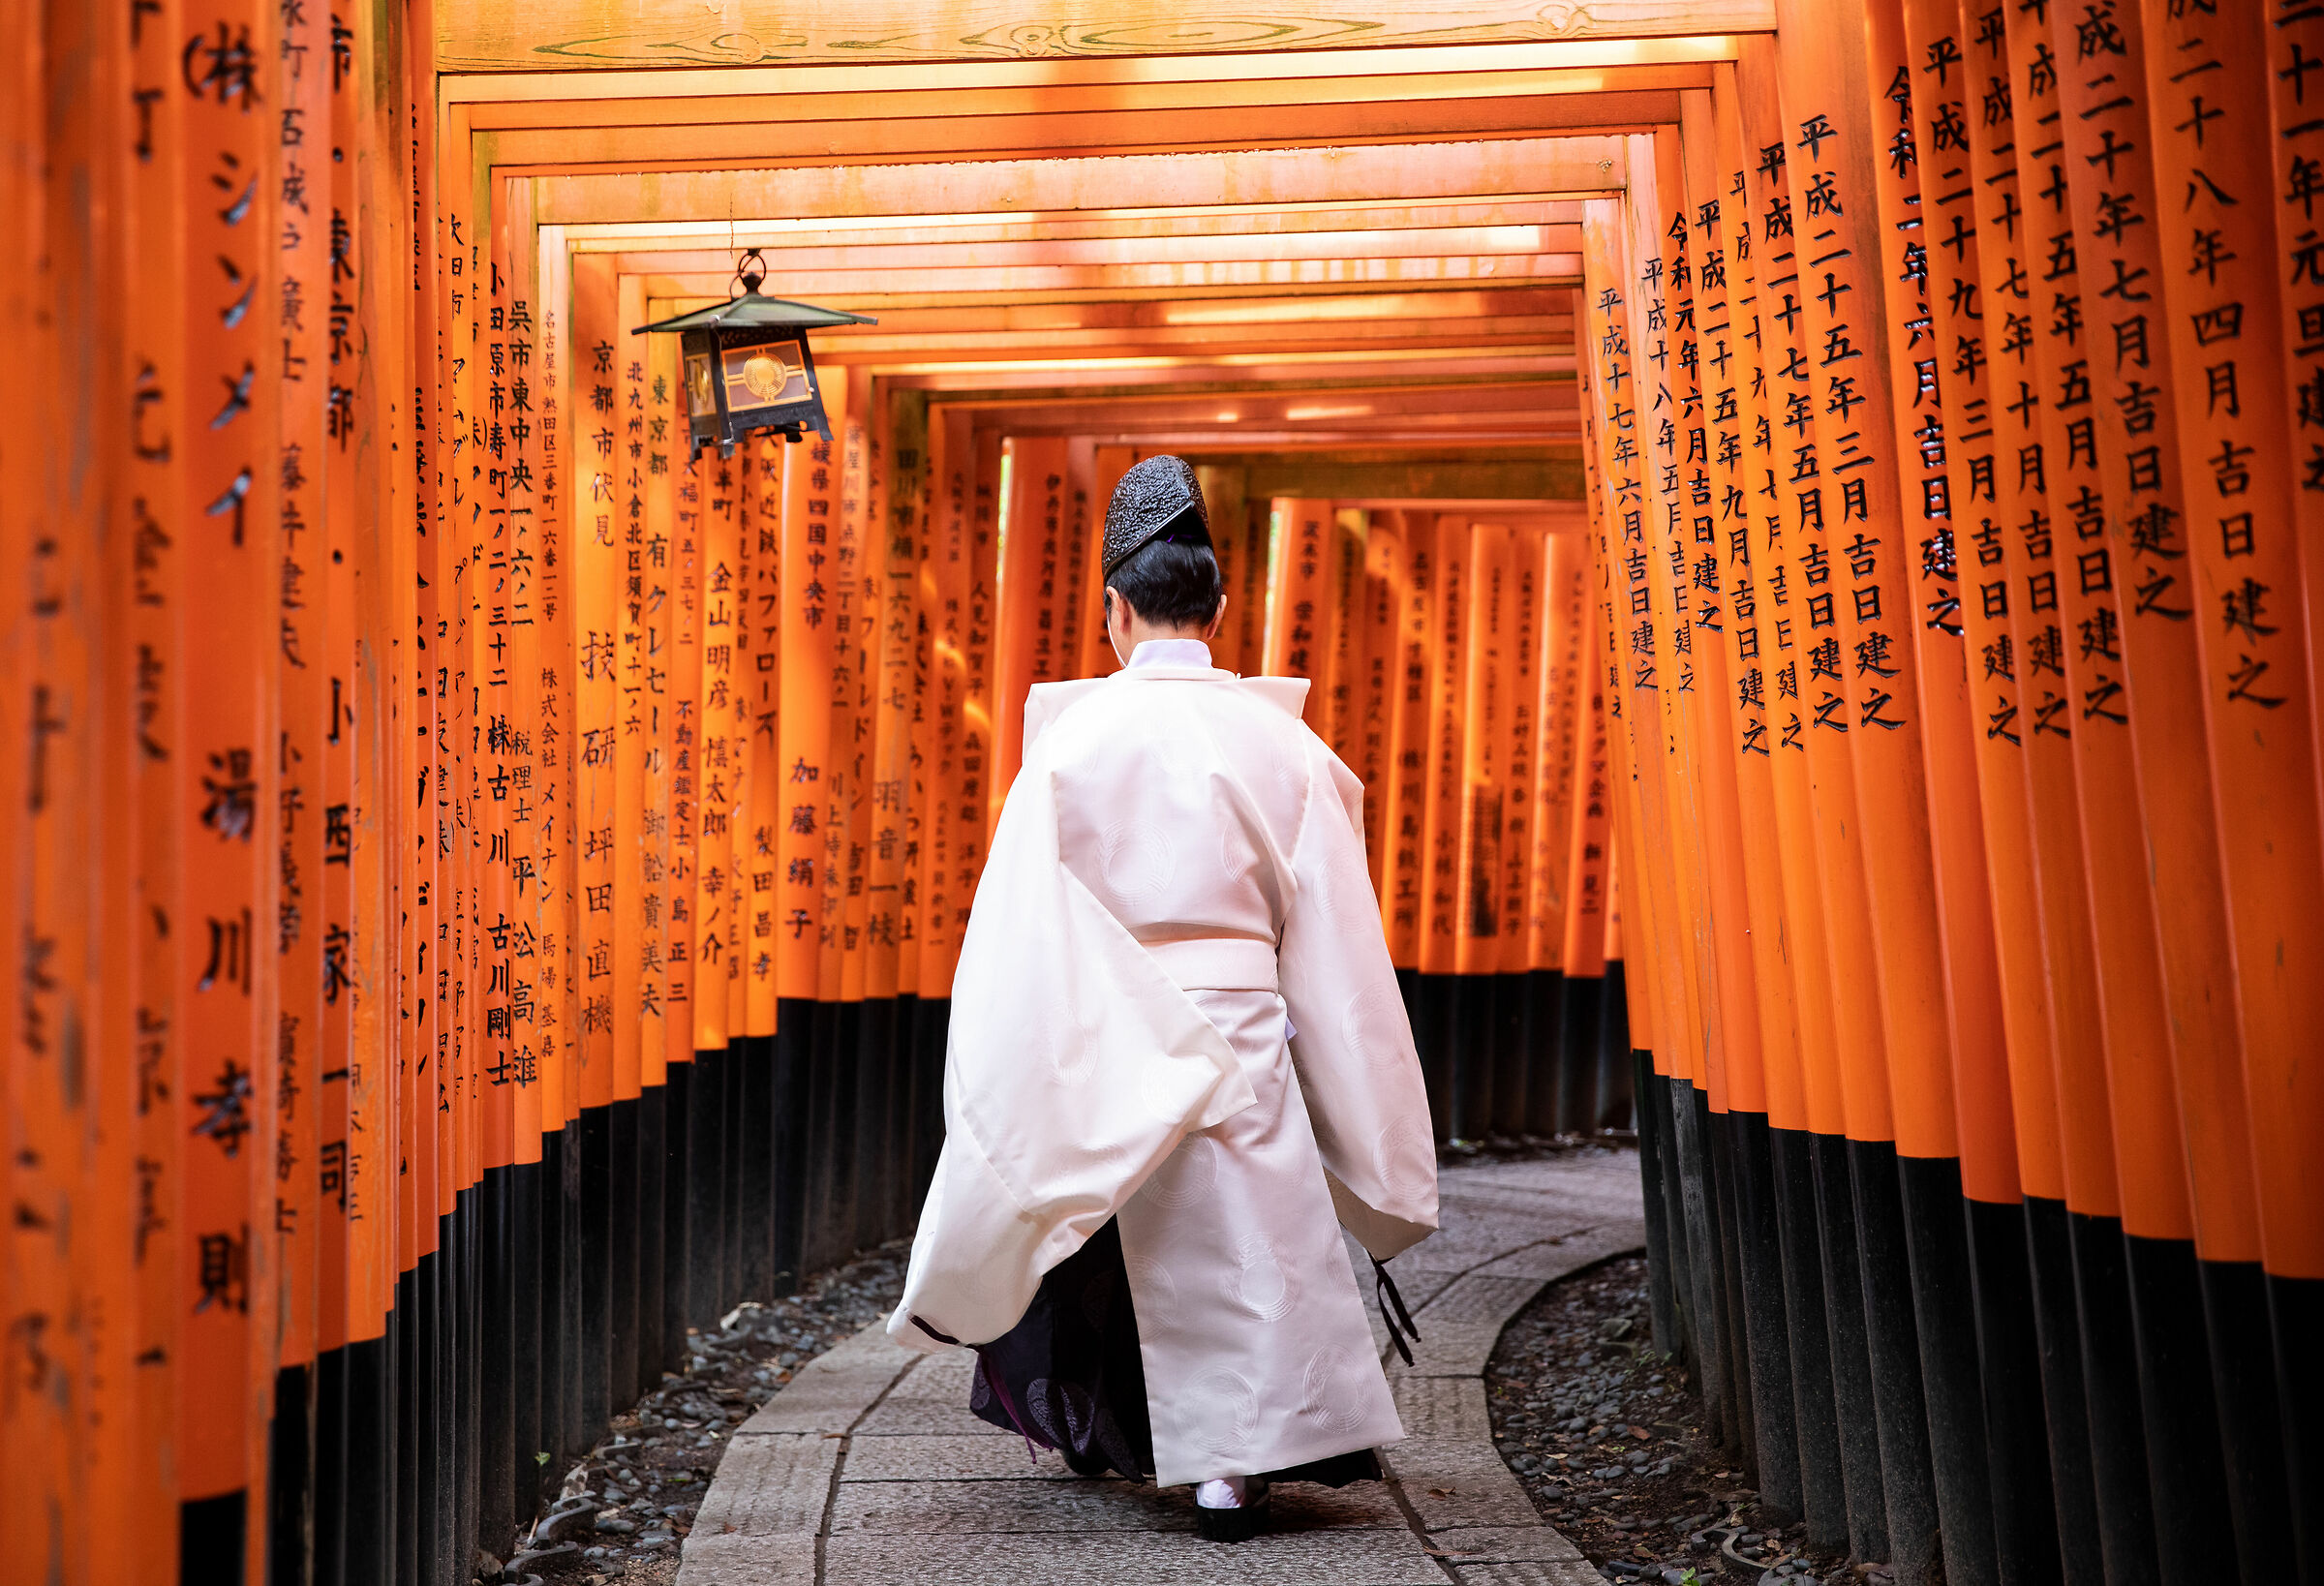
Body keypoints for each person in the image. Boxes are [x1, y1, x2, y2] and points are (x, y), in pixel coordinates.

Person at [887, 455, 1438, 1541]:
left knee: (1098, 1220)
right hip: (1243, 1024)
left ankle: (1107, 1428)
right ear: (1221, 610)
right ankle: (1233, 1468)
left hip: (1107, 1023)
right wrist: (1358, 1112)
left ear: (1113, 612)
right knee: (1248, 1239)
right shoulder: (1288, 748)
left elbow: (1019, 932)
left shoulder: (1070, 746)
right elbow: (1334, 947)